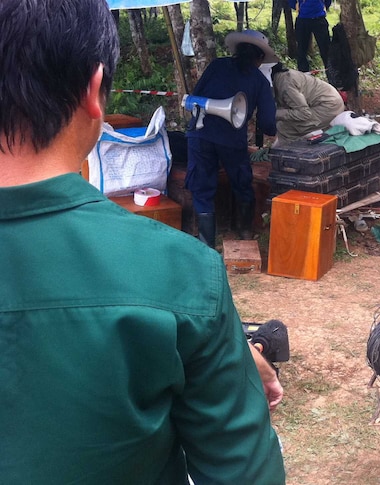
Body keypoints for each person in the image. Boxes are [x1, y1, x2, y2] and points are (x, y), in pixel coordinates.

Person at [0, 1, 285, 483]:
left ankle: (226, 231)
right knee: (224, 191)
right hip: (221, 145)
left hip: (209, 144)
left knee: (209, 192)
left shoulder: (221, 69)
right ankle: (232, 232)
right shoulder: (184, 275)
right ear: (96, 91)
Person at [186, 30, 277, 246]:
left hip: (200, 134)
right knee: (241, 182)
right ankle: (244, 233)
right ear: (260, 58)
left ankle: (206, 242)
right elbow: (268, 124)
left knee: (202, 186)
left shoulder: (217, 65)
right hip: (231, 139)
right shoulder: (260, 82)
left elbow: (196, 97)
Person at [271, 62, 345, 146]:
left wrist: (275, 114)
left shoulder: (286, 84)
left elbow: (304, 113)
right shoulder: (282, 77)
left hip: (328, 106)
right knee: (286, 124)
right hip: (326, 102)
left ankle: (283, 155)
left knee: (286, 128)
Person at [290, 0, 331, 72]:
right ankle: (304, 77)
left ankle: (332, 75)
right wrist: (295, 6)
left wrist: (324, 7)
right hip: (302, 19)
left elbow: (328, 1)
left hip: (319, 18)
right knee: (301, 51)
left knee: (326, 50)